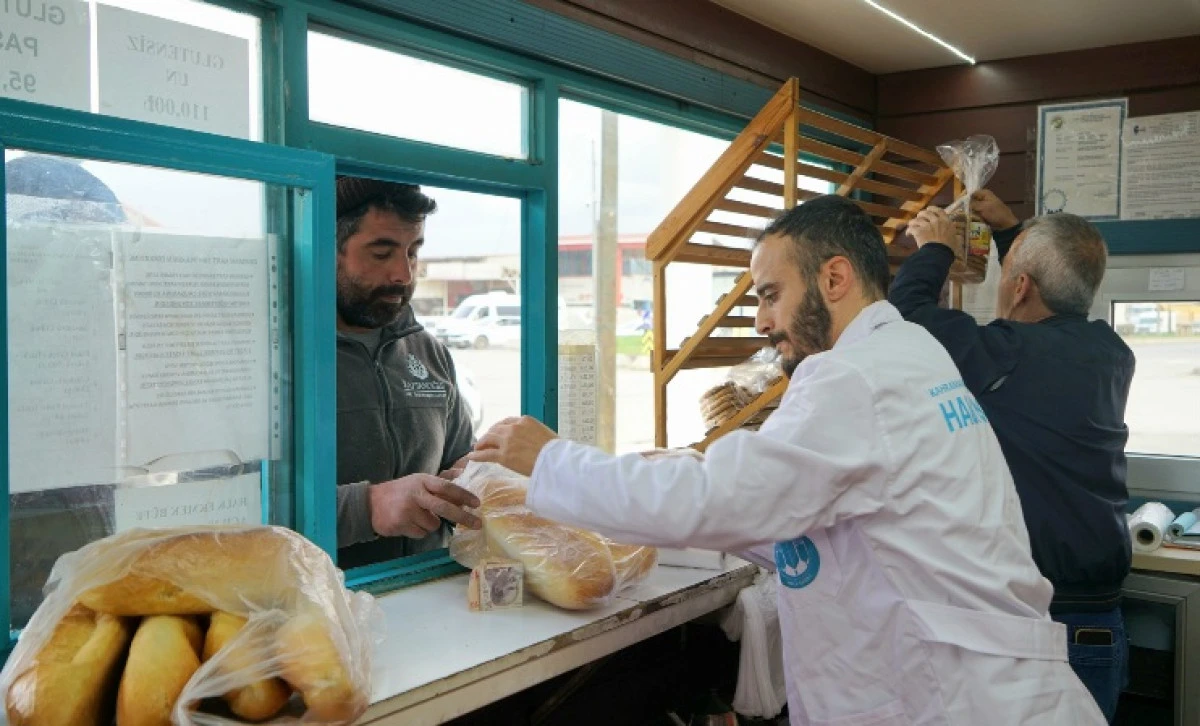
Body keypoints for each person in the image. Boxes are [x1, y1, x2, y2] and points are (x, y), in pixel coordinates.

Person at [469, 195, 1104, 725]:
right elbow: (828, 519)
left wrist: (551, 459)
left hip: (953, 698)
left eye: (770, 294)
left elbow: (718, 500)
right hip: (988, 687)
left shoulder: (853, 377)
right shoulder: (912, 352)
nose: (760, 320)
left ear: (834, 279)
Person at [891, 192, 1134, 721]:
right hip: (1099, 624)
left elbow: (905, 315)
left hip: (1034, 626)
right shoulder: (1111, 354)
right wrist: (1011, 232)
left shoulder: (1007, 352)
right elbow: (1046, 298)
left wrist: (933, 248)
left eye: (1011, 276)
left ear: (1020, 286)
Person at [335, 177, 481, 569]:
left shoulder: (429, 353)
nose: (404, 273)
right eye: (381, 253)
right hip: (318, 610)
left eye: (413, 252)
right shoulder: (279, 362)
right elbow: (232, 509)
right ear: (329, 252)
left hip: (428, 594)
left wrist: (477, 477)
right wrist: (367, 508)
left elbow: (461, 460)